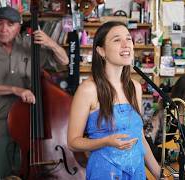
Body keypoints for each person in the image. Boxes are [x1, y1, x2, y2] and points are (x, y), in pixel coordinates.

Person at [0, 6, 69, 179]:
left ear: (19, 27)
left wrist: (50, 43)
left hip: (29, 124)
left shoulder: (29, 45)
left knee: (26, 173)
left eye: (10, 24)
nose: (4, 29)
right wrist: (15, 89)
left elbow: (64, 61)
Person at [67, 21, 161, 179]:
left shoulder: (135, 87)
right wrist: (106, 141)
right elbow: (72, 142)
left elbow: (140, 138)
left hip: (136, 171)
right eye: (117, 40)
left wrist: (159, 173)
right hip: (105, 171)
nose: (126, 45)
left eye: (129, 39)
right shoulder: (88, 89)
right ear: (101, 51)